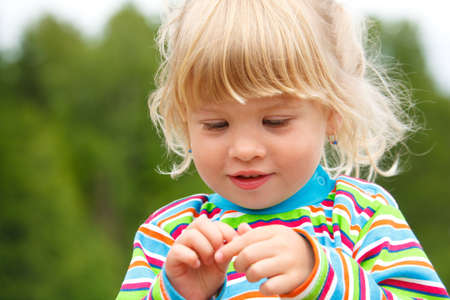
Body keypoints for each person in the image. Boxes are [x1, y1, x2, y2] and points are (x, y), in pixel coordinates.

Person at [116, 0, 449, 299]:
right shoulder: (170, 237)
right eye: (216, 125)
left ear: (332, 113)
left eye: (275, 121)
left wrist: (322, 277)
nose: (245, 150)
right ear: (183, 121)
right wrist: (177, 293)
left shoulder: (360, 216)